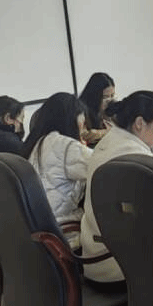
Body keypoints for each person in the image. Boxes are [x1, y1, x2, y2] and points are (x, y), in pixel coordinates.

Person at [80, 90, 153, 288]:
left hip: (96, 261)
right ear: (140, 123)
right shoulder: (134, 155)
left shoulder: (107, 144)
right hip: (121, 268)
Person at [22, 92, 93, 248]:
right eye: (82, 123)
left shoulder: (38, 142)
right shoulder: (64, 145)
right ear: (74, 121)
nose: (83, 129)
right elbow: (103, 165)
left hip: (39, 230)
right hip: (64, 234)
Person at [78, 72, 116, 145]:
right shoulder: (81, 112)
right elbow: (85, 135)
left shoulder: (106, 113)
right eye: (105, 97)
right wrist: (105, 132)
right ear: (94, 96)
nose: (109, 100)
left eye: (112, 96)